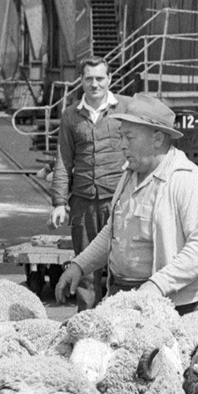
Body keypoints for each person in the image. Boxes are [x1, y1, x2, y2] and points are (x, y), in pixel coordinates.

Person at [55, 95, 198, 315]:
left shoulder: (188, 181)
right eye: (121, 136)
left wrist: (157, 285)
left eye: (129, 137)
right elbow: (114, 231)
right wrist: (79, 265)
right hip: (127, 298)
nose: (122, 145)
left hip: (179, 307)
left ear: (157, 139)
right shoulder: (131, 175)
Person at [49, 57, 128, 253]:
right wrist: (59, 203)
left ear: (109, 79)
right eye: (89, 78)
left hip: (118, 202)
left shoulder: (126, 108)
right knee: (84, 270)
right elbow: (63, 161)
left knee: (119, 267)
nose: (95, 84)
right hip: (83, 205)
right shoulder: (70, 115)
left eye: (100, 78)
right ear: (81, 80)